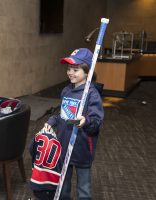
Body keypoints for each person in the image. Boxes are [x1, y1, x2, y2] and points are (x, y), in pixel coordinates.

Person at [30, 48, 104, 200]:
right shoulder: (66, 91)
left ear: (87, 72)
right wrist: (51, 121)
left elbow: (96, 122)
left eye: (75, 69)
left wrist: (86, 121)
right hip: (64, 147)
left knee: (84, 189)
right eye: (69, 68)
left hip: (83, 149)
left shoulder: (92, 94)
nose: (70, 72)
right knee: (62, 186)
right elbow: (62, 115)